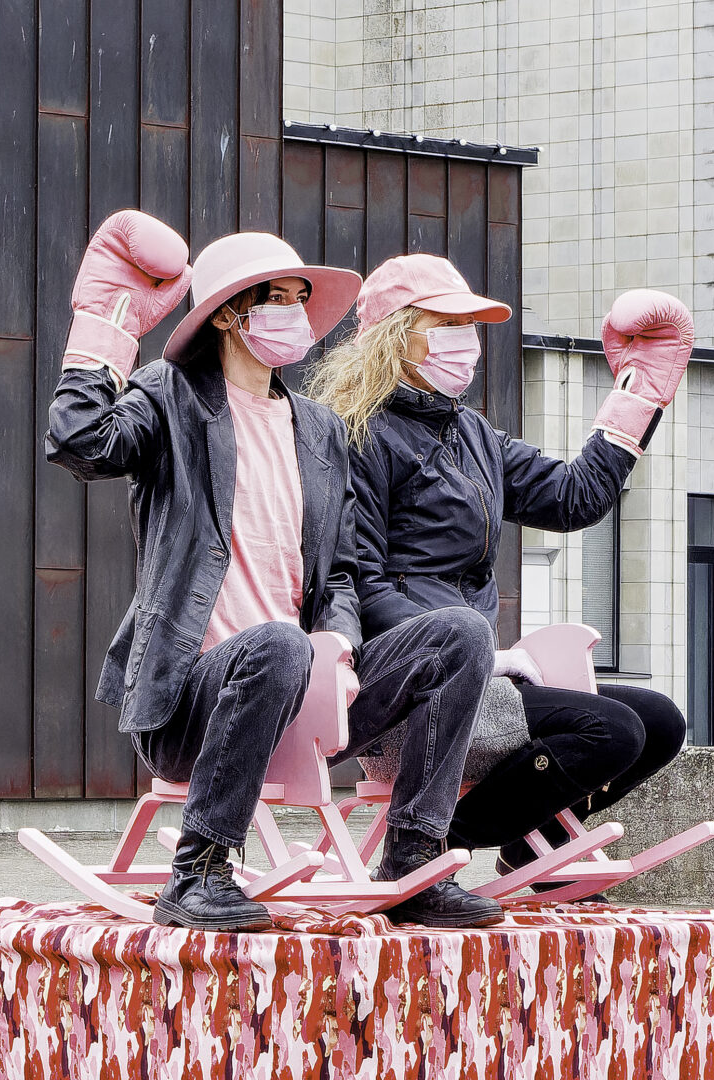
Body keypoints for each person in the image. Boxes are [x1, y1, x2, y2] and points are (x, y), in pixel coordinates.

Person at [46, 213, 502, 930]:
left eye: (299, 298)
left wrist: (341, 644)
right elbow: (80, 443)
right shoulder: (169, 394)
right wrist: (102, 330)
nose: (295, 314)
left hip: (304, 692)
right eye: (277, 299)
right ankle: (197, 872)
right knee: (277, 643)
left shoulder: (317, 429)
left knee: (462, 636)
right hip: (191, 702)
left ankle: (414, 859)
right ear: (229, 314)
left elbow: (342, 572)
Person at [306, 253, 694, 883]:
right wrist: (476, 653)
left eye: (471, 326)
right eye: (448, 325)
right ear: (394, 336)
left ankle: (532, 850)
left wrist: (638, 392)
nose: (467, 342)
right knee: (611, 732)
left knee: (658, 722)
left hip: (481, 676)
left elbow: (574, 497)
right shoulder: (357, 436)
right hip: (407, 692)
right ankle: (429, 842)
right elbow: (360, 584)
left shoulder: (474, 436)